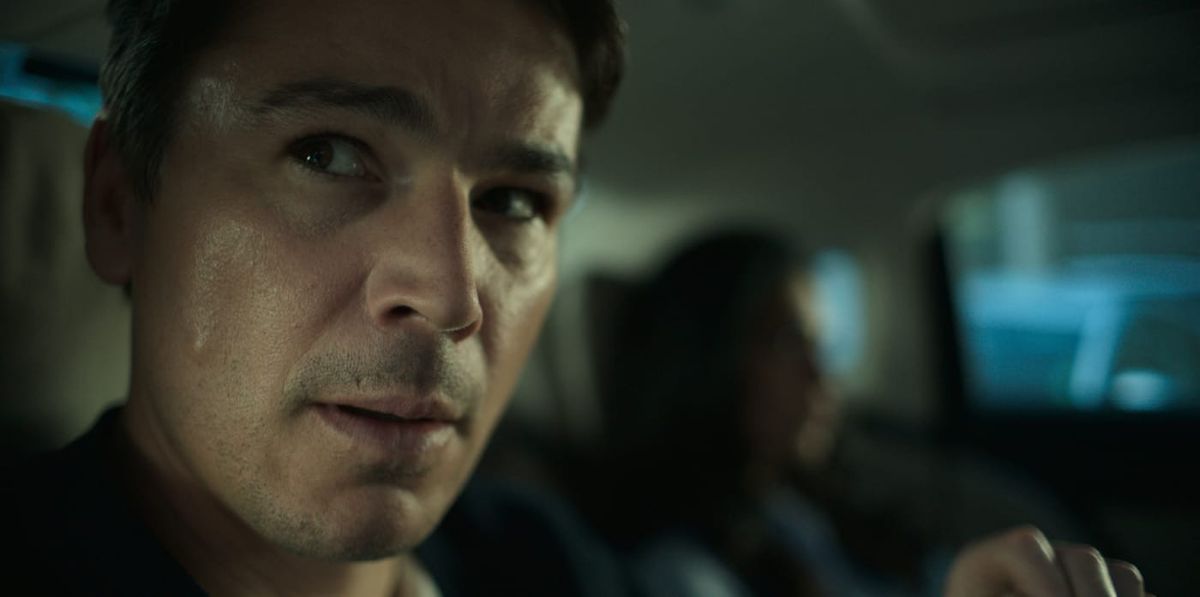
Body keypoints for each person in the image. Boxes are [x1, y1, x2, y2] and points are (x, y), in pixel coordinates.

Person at [0, 1, 1149, 595]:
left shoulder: (531, 556)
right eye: (328, 154)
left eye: (512, 200)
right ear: (120, 206)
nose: (453, 293)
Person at [579, 230, 1152, 597]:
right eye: (788, 342)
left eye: (820, 345)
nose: (822, 373)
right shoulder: (679, 569)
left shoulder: (810, 504)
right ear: (706, 361)